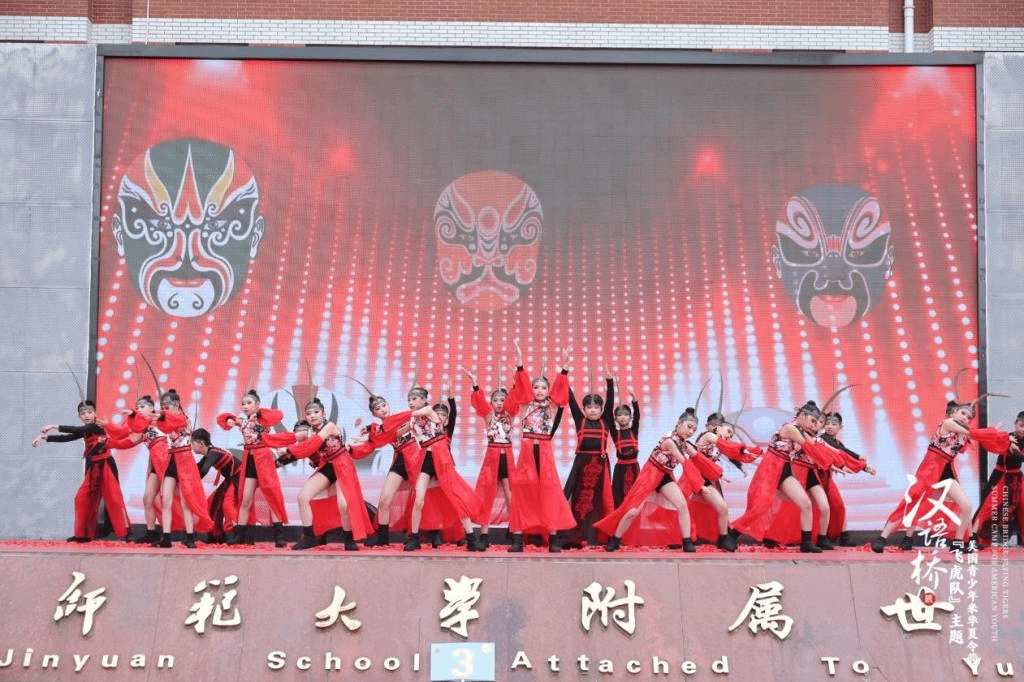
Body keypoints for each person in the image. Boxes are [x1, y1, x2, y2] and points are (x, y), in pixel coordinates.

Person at [871, 400, 984, 553]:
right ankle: (882, 538)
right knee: (913, 502)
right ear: (954, 413)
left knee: (966, 506)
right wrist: (994, 435)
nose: (965, 418)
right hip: (930, 469)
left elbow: (966, 441)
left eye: (969, 417)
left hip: (946, 471)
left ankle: (959, 542)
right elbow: (972, 434)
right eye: (963, 413)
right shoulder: (948, 423)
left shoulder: (961, 432)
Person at [732, 400, 835, 553]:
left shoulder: (801, 431)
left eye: (816, 422)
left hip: (784, 468)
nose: (814, 425)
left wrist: (839, 460)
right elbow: (810, 447)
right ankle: (731, 533)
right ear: (802, 415)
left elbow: (818, 446)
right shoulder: (791, 429)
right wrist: (828, 461)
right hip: (772, 467)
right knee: (760, 507)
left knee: (805, 503)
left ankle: (806, 543)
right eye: (812, 421)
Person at [595, 409, 701, 553]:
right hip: (649, 477)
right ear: (679, 423)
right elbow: (684, 461)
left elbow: (698, 458)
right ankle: (615, 539)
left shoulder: (684, 444)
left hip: (664, 477)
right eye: (689, 427)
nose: (691, 432)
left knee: (682, 504)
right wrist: (699, 482)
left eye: (694, 430)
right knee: (632, 512)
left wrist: (713, 470)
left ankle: (687, 541)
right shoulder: (669, 441)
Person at [33, 400, 138, 542]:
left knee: (114, 499)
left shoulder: (96, 426)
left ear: (95, 414)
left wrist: (53, 426)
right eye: (83, 413)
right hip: (94, 467)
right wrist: (46, 437)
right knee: (82, 498)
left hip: (106, 465)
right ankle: (83, 534)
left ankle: (125, 533)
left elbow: (75, 430)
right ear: (79, 416)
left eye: (89, 412)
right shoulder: (86, 430)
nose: (87, 415)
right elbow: (68, 437)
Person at [505, 343, 577, 552]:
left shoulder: (552, 406)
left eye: (544, 387)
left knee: (550, 493)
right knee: (521, 494)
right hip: (527, 452)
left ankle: (553, 539)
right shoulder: (525, 405)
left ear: (548, 390)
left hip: (545, 452)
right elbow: (522, 387)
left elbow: (560, 389)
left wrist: (565, 367)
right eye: (536, 387)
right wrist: (520, 364)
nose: (539, 390)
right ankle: (517, 539)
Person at [284, 398, 373, 551]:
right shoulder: (311, 432)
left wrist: (291, 449)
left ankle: (348, 539)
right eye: (309, 414)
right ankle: (309, 538)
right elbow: (299, 443)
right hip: (327, 466)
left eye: (316, 412)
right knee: (302, 497)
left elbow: (313, 443)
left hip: (342, 464)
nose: (312, 416)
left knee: (343, 505)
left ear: (323, 414)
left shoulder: (330, 426)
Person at [402, 386, 483, 551]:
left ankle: (471, 538)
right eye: (409, 400)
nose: (411, 402)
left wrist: (451, 399)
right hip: (425, 458)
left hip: (441, 457)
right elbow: (396, 432)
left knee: (456, 498)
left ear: (424, 400)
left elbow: (417, 413)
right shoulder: (413, 420)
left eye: (414, 399)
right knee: (419, 499)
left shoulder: (429, 411)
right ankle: (414, 538)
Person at [217, 389, 288, 546]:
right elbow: (221, 419)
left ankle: (279, 537)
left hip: (263, 459)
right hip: (249, 460)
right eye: (243, 404)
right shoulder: (243, 422)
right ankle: (240, 536)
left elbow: (279, 415)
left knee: (272, 497)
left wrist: (260, 413)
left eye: (249, 403)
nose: (245, 406)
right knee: (245, 499)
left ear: (257, 404)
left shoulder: (264, 419)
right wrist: (230, 420)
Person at [463, 365, 519, 550]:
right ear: (491, 402)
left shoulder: (510, 416)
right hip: (492, 459)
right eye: (495, 400)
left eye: (503, 400)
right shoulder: (489, 417)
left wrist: (515, 384)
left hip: (507, 459)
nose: (499, 403)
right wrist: (475, 384)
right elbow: (480, 403)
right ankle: (484, 535)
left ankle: (515, 532)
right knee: (487, 497)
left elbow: (515, 400)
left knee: (511, 497)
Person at [121, 394, 188, 544]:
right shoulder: (143, 427)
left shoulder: (160, 419)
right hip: (155, 465)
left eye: (142, 407)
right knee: (147, 498)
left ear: (151, 408)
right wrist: (108, 441)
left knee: (175, 499)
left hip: (168, 463)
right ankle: (151, 532)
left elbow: (177, 422)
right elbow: (128, 441)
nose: (139, 409)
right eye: (137, 407)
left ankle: (185, 532)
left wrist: (157, 416)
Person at [152, 389, 213, 548]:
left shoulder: (184, 419)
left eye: (167, 406)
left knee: (186, 502)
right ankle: (166, 537)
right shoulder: (166, 420)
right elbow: (164, 426)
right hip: (171, 460)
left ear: (177, 405)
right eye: (162, 407)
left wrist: (162, 416)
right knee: (166, 499)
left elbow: (176, 422)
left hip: (185, 462)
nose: (164, 409)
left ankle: (190, 537)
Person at [562, 369, 615, 547]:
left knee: (599, 501)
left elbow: (610, 402)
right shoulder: (580, 420)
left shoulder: (606, 421)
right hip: (581, 465)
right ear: (584, 409)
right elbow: (570, 399)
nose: (593, 410)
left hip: (600, 466)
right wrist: (564, 375)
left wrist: (609, 382)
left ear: (601, 409)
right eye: (589, 407)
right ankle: (575, 536)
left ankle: (596, 537)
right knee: (578, 501)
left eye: (596, 407)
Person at [818, 411, 876, 546]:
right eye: (827, 423)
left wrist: (865, 467)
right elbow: (843, 453)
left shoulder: (836, 442)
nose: (829, 426)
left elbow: (845, 457)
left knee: (838, 506)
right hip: (817, 477)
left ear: (840, 427)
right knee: (823, 508)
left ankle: (843, 537)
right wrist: (860, 459)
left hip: (827, 478)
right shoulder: (822, 439)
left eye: (833, 424)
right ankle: (821, 538)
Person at [972, 411, 1024, 547]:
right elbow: (988, 442)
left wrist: (1010, 446)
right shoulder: (1006, 437)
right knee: (988, 506)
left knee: (1022, 505)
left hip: (1017, 478)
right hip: (1001, 476)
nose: (1023, 430)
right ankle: (973, 538)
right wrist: (1006, 443)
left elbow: (1020, 458)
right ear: (1015, 424)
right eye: (1021, 425)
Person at [191, 427, 241, 543]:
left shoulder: (213, 453)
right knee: (212, 503)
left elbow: (204, 470)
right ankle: (216, 535)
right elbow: (197, 469)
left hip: (239, 477)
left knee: (228, 504)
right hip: (231, 478)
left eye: (193, 443)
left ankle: (238, 535)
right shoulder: (209, 454)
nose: (191, 446)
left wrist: (192, 483)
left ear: (201, 443)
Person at [609, 384, 640, 507]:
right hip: (620, 470)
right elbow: (608, 418)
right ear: (615, 418)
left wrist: (634, 398)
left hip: (634, 467)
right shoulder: (615, 433)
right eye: (619, 415)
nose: (623, 417)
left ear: (630, 417)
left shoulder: (634, 430)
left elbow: (637, 415)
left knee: (635, 496)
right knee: (619, 496)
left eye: (626, 415)